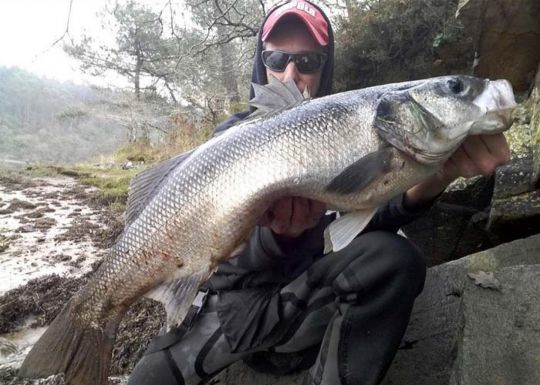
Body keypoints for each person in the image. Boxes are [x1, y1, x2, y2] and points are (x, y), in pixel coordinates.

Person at [128, 1, 510, 384]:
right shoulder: (229, 140)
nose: (291, 73)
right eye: (276, 58)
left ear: (325, 67)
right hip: (239, 314)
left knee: (397, 256)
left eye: (308, 61)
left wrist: (442, 174)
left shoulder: (348, 127)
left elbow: (372, 211)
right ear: (261, 64)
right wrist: (277, 239)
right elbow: (219, 265)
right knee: (146, 378)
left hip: (305, 303)